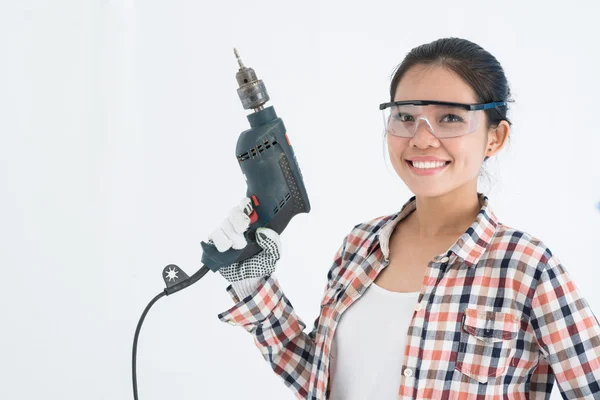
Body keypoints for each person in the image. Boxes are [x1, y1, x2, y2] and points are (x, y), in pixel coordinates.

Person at [208, 37, 600, 399]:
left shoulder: (526, 268)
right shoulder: (359, 245)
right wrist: (249, 277)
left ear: (494, 138)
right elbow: (318, 380)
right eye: (406, 116)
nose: (422, 138)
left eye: (450, 118)